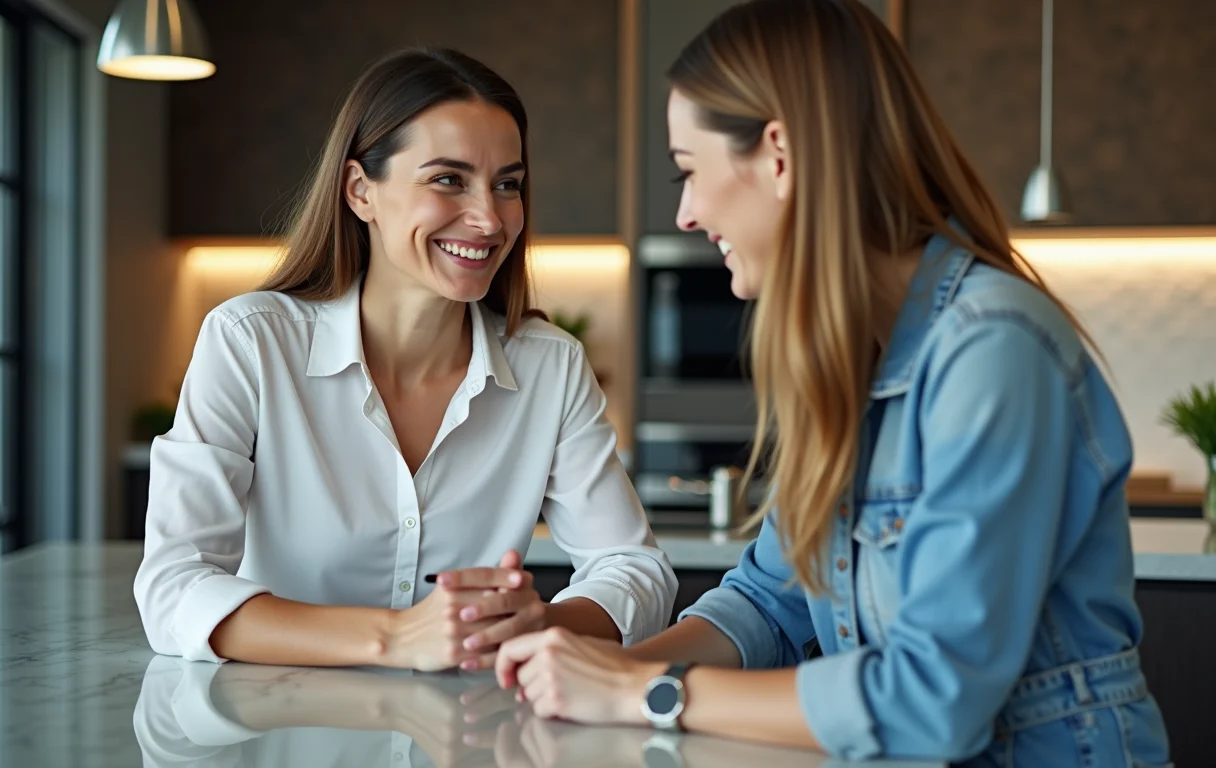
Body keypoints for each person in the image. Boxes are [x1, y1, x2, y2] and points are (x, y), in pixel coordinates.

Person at [493, 1, 1171, 765]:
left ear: (778, 154)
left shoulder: (992, 351)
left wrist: (642, 695)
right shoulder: (847, 359)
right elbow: (768, 604)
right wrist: (606, 665)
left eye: (689, 170)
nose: (685, 212)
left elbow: (931, 701)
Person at [134, 47, 677, 672]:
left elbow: (635, 570)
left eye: (508, 184)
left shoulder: (549, 368)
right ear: (361, 191)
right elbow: (173, 588)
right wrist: (397, 638)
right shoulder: (250, 341)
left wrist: (533, 624)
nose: (488, 218)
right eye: (448, 179)